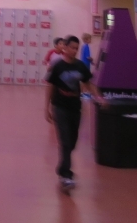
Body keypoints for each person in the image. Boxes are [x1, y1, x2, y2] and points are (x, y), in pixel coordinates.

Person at [45, 35, 96, 193]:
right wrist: (46, 107)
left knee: (72, 142)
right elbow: (50, 86)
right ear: (64, 48)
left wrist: (98, 98)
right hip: (59, 107)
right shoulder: (58, 66)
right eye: (71, 47)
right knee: (65, 141)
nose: (74, 51)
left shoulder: (80, 66)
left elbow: (88, 83)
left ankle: (61, 168)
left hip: (75, 107)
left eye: (76, 48)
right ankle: (66, 176)